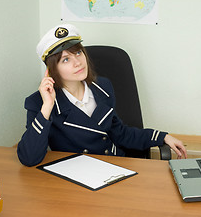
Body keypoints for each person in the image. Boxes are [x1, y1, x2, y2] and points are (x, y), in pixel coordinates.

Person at [17, 24, 187, 166]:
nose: (77, 62)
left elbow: (120, 134)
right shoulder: (39, 102)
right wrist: (47, 107)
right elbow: (29, 158)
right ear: (52, 70)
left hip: (113, 167)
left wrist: (161, 136)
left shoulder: (102, 87)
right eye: (66, 60)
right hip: (75, 179)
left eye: (78, 53)